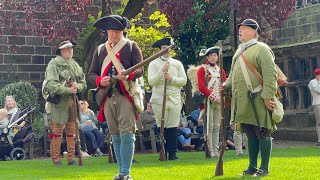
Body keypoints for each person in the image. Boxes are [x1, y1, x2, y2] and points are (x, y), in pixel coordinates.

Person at [88, 15, 143, 180]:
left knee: (127, 133)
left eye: (116, 32)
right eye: (110, 31)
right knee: (115, 134)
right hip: (107, 96)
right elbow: (91, 74)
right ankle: (121, 171)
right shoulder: (100, 50)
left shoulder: (131, 46)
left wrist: (129, 75)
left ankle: (126, 172)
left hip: (125, 94)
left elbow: (140, 70)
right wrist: (100, 81)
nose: (112, 35)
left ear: (122, 31)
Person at [223, 19, 278, 177]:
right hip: (243, 101)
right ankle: (252, 166)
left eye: (245, 29)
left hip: (259, 98)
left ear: (254, 32)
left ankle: (264, 168)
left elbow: (270, 74)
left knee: (263, 132)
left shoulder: (262, 49)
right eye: (240, 28)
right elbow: (233, 74)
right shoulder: (239, 51)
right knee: (250, 133)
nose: (240, 31)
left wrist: (267, 97)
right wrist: (225, 85)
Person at [44, 40, 87, 166]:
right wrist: (68, 89)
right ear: (62, 51)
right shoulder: (54, 64)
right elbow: (51, 84)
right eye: (68, 49)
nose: (71, 51)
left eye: (71, 48)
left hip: (73, 103)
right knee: (57, 132)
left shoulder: (75, 65)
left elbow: (83, 83)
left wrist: (77, 87)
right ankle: (56, 159)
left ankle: (71, 158)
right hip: (59, 103)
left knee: (71, 131)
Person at [148, 37, 187, 160]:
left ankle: (173, 153)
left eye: (168, 49)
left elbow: (184, 81)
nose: (166, 51)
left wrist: (172, 79)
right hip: (159, 99)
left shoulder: (177, 64)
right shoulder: (153, 64)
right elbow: (151, 82)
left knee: (173, 126)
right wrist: (161, 71)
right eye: (164, 48)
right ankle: (162, 151)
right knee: (162, 126)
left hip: (174, 99)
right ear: (159, 49)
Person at [197, 46, 227, 158]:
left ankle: (215, 149)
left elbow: (224, 84)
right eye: (212, 55)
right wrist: (213, 96)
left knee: (216, 126)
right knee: (209, 126)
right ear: (208, 57)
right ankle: (209, 149)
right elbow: (201, 86)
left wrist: (222, 96)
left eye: (215, 55)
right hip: (208, 101)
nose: (214, 58)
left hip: (219, 101)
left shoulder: (221, 70)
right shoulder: (202, 69)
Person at [308, 68, 320, 146]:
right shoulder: (312, 82)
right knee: (319, 122)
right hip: (318, 103)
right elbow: (318, 90)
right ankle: (319, 140)